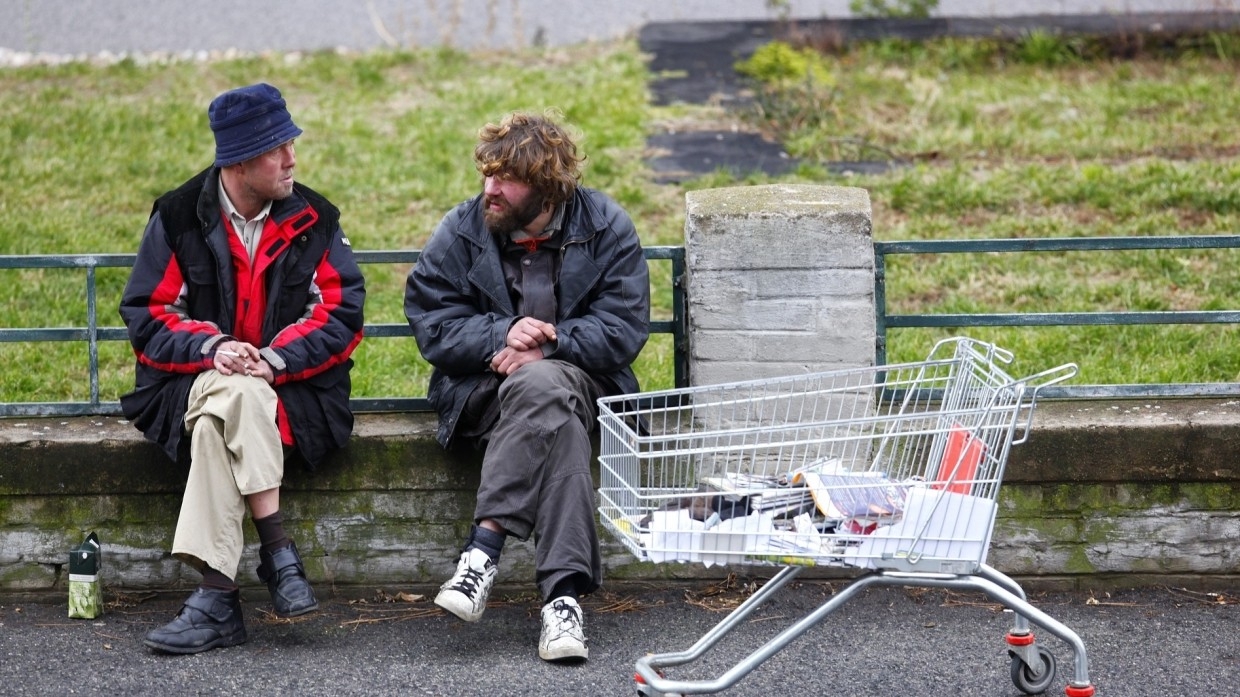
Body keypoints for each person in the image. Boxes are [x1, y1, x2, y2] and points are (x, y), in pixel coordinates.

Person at [118, 82, 366, 655]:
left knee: (220, 420)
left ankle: (217, 598)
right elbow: (149, 314)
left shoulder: (315, 217)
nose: (292, 158)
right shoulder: (178, 216)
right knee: (232, 391)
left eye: (290, 144)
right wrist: (215, 350)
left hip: (297, 394)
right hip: (188, 382)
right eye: (278, 147)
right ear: (240, 160)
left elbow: (341, 313)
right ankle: (278, 552)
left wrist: (272, 361)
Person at [404, 110, 650, 663]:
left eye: (504, 179)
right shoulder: (463, 229)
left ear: (545, 187)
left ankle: (482, 552)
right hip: (484, 393)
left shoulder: (606, 226)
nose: (489, 189)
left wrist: (551, 343)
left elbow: (624, 328)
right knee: (554, 419)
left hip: (584, 385)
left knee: (546, 387)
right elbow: (432, 321)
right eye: (486, 174)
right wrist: (501, 331)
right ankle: (563, 602)